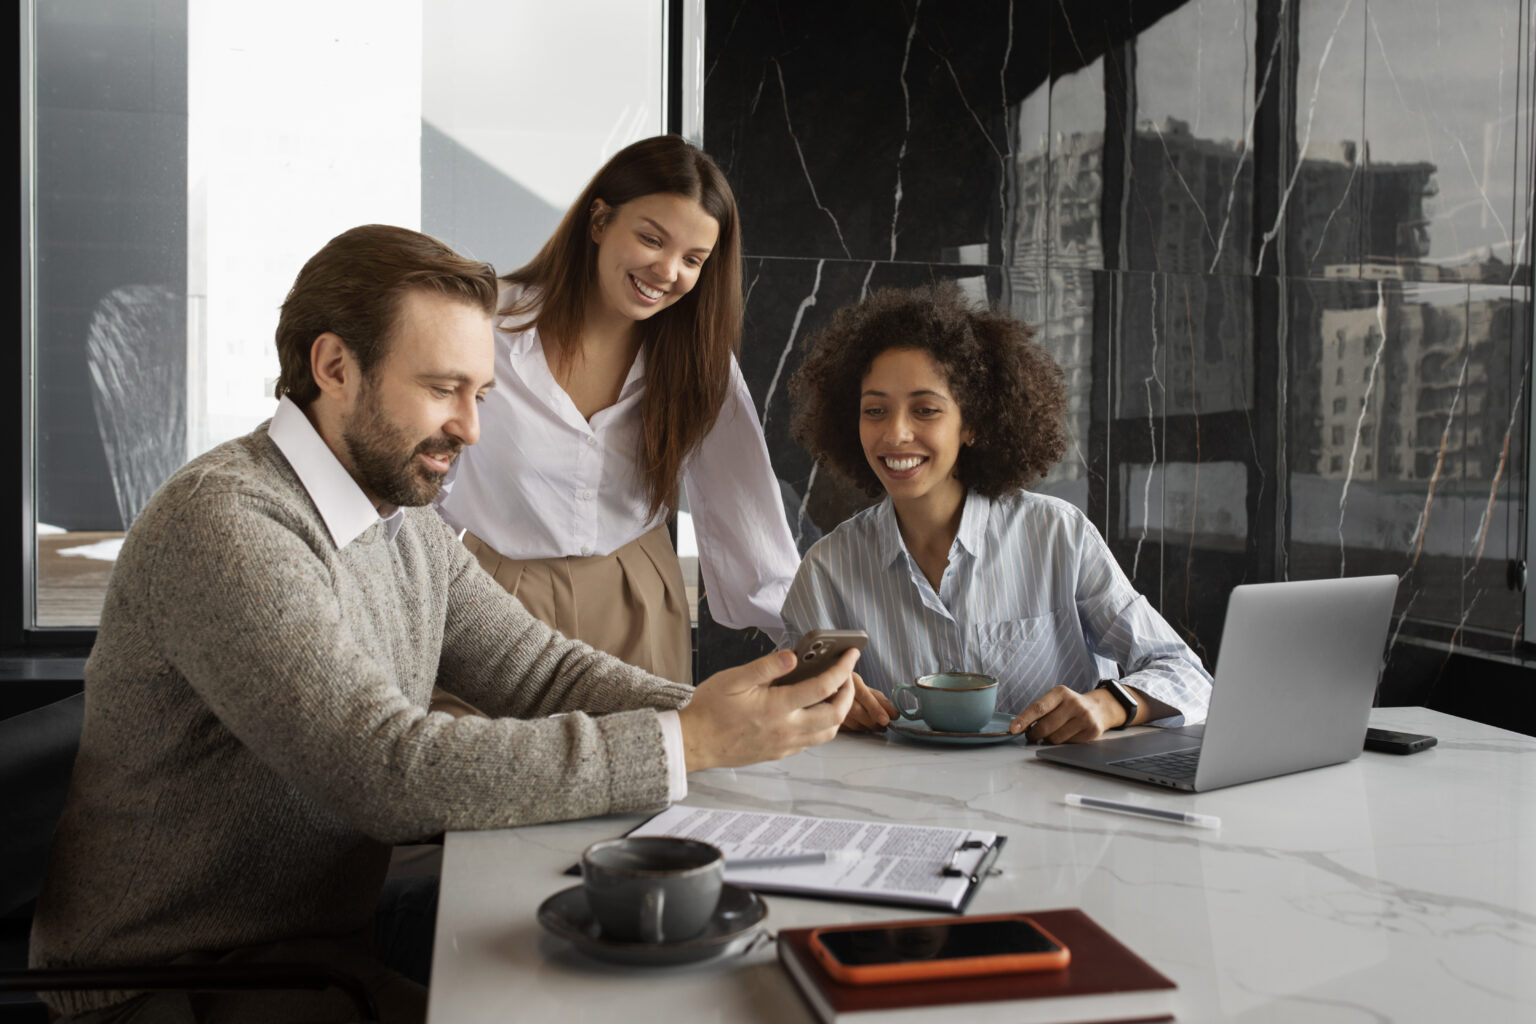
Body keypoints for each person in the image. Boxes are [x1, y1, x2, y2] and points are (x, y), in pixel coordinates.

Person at [29, 225, 857, 1024]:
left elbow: (541, 673)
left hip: (308, 956)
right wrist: (689, 742)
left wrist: (749, 712)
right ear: (334, 367)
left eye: (481, 393)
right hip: (170, 989)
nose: (471, 427)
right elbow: (383, 770)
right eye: (441, 389)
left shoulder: (401, 519)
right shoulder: (229, 524)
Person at [436, 135, 799, 685]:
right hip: (499, 604)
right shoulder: (485, 327)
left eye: (693, 260)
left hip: (641, 605)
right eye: (652, 239)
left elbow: (744, 509)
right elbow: (419, 489)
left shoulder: (699, 362)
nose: (667, 271)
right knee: (497, 766)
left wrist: (815, 653)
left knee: (648, 767)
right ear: (600, 220)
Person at [780, 283, 1210, 743]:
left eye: (925, 410)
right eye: (875, 410)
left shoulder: (1057, 536)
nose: (896, 433)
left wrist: (1110, 705)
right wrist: (822, 706)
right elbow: (782, 706)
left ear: (973, 423)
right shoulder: (827, 570)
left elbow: (1185, 674)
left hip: (1053, 803)